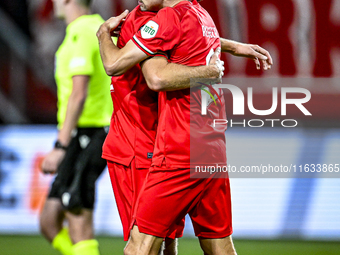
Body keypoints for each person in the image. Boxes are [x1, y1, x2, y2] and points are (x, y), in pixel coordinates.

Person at [97, 1, 273, 255]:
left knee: (140, 248)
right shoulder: (202, 14)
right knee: (219, 246)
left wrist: (103, 32)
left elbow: (137, 71)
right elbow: (180, 35)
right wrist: (233, 47)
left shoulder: (162, 18)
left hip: (170, 148)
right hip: (211, 148)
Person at [39, 0, 112, 255]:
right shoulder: (82, 30)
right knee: (49, 221)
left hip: (93, 131)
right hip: (76, 132)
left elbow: (79, 94)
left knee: (76, 211)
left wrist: (60, 146)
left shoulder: (84, 32)